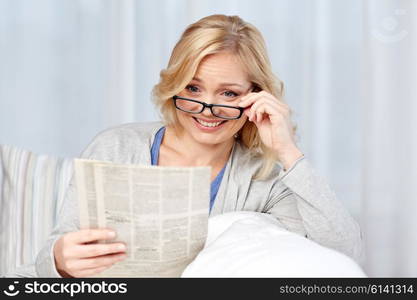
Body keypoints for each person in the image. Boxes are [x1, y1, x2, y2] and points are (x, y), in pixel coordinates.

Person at [35, 14, 363, 277]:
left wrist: (288, 151)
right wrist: (61, 260)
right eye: (193, 88)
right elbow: (57, 249)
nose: (208, 109)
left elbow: (343, 254)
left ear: (256, 96)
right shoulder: (115, 147)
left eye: (229, 94)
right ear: (173, 85)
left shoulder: (266, 180)